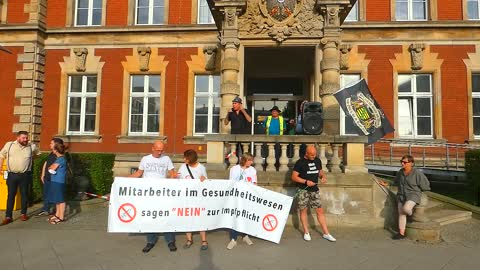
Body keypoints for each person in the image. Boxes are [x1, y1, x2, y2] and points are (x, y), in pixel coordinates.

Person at [129, 141, 177, 253]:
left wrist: (174, 177)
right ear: (152, 148)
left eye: (162, 150)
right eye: (158, 150)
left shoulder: (166, 159)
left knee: (166, 215)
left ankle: (170, 241)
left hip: (163, 194)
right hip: (148, 194)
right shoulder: (145, 159)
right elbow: (138, 173)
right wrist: (123, 180)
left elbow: (172, 174)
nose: (160, 152)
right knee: (150, 216)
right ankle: (150, 241)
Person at [291, 145, 336, 242]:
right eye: (312, 155)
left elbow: (320, 172)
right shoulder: (300, 163)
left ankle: (326, 233)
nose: (314, 156)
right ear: (306, 154)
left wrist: (322, 177)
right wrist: (306, 182)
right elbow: (294, 177)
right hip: (303, 190)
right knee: (303, 210)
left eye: (315, 154)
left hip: (314, 190)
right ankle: (306, 232)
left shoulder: (317, 160)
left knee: (320, 210)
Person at [380, 155, 431, 240]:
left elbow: (425, 185)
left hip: (413, 195)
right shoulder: (400, 172)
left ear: (411, 163)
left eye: (405, 162)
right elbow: (396, 182)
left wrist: (422, 190)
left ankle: (411, 215)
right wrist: (387, 184)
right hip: (401, 195)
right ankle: (401, 233)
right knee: (401, 213)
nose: (402, 163)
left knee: (406, 209)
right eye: (401, 161)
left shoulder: (417, 173)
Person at [0, 131, 39, 225]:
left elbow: (37, 155)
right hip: (12, 175)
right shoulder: (9, 145)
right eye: (23, 138)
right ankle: (8, 216)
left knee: (24, 195)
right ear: (18, 138)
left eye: (26, 138)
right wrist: (0, 166)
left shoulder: (31, 146)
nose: (26, 139)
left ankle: (23, 214)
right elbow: (1, 155)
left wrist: (30, 159)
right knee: (11, 196)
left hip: (25, 175)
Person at [177, 149, 209, 250]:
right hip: (186, 198)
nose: (184, 159)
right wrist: (174, 177)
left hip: (198, 199)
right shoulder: (183, 167)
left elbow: (206, 182)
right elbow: (178, 178)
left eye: (185, 158)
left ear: (190, 159)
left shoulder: (201, 168)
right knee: (187, 218)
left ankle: (204, 240)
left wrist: (204, 179)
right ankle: (189, 239)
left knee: (200, 219)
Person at [226, 152, 256, 250]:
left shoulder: (252, 170)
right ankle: (233, 239)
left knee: (246, 216)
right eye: (250, 160)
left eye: (252, 160)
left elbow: (254, 183)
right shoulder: (234, 169)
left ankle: (245, 236)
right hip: (237, 197)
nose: (251, 162)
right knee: (235, 216)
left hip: (247, 198)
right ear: (244, 160)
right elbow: (231, 183)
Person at [38, 137, 64, 216]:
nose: (50, 144)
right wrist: (43, 174)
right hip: (47, 177)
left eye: (51, 143)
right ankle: (46, 209)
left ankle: (57, 212)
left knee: (54, 195)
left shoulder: (59, 156)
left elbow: (53, 168)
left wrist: (50, 170)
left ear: (56, 145)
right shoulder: (51, 153)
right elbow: (46, 163)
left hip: (54, 179)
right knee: (46, 193)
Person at [47, 142, 68, 224]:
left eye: (53, 148)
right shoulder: (60, 158)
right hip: (56, 181)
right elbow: (51, 168)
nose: (52, 150)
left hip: (59, 181)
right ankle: (57, 215)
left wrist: (50, 168)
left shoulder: (61, 159)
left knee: (61, 200)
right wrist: (50, 168)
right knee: (57, 199)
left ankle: (61, 217)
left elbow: (52, 168)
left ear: (56, 150)